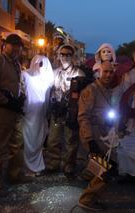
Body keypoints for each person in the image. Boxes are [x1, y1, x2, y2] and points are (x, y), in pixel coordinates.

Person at [0, 34, 30, 196]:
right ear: (5, 45)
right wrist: (4, 101)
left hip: (14, 111)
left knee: (17, 144)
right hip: (2, 111)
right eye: (13, 45)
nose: (16, 48)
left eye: (19, 46)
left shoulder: (15, 63)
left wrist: (20, 98)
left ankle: (15, 176)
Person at [77, 61, 117, 211]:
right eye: (105, 71)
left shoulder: (108, 90)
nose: (108, 75)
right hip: (92, 136)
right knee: (106, 170)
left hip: (103, 135)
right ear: (99, 72)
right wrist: (90, 141)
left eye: (110, 72)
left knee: (103, 168)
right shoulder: (91, 90)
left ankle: (91, 198)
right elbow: (83, 117)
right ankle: (86, 200)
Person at [45, 44, 85, 177]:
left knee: (70, 141)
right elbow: (49, 90)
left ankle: (69, 167)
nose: (65, 57)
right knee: (53, 140)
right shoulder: (55, 73)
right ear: (59, 55)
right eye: (62, 54)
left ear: (73, 56)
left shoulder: (79, 73)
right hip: (57, 111)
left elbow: (83, 94)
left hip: (71, 112)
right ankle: (52, 165)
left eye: (68, 54)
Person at [21, 55, 54, 176]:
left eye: (43, 64)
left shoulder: (48, 79)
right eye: (38, 63)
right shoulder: (25, 75)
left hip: (40, 117)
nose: (40, 67)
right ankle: (27, 167)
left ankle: (37, 166)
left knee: (38, 141)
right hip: (28, 115)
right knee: (27, 141)